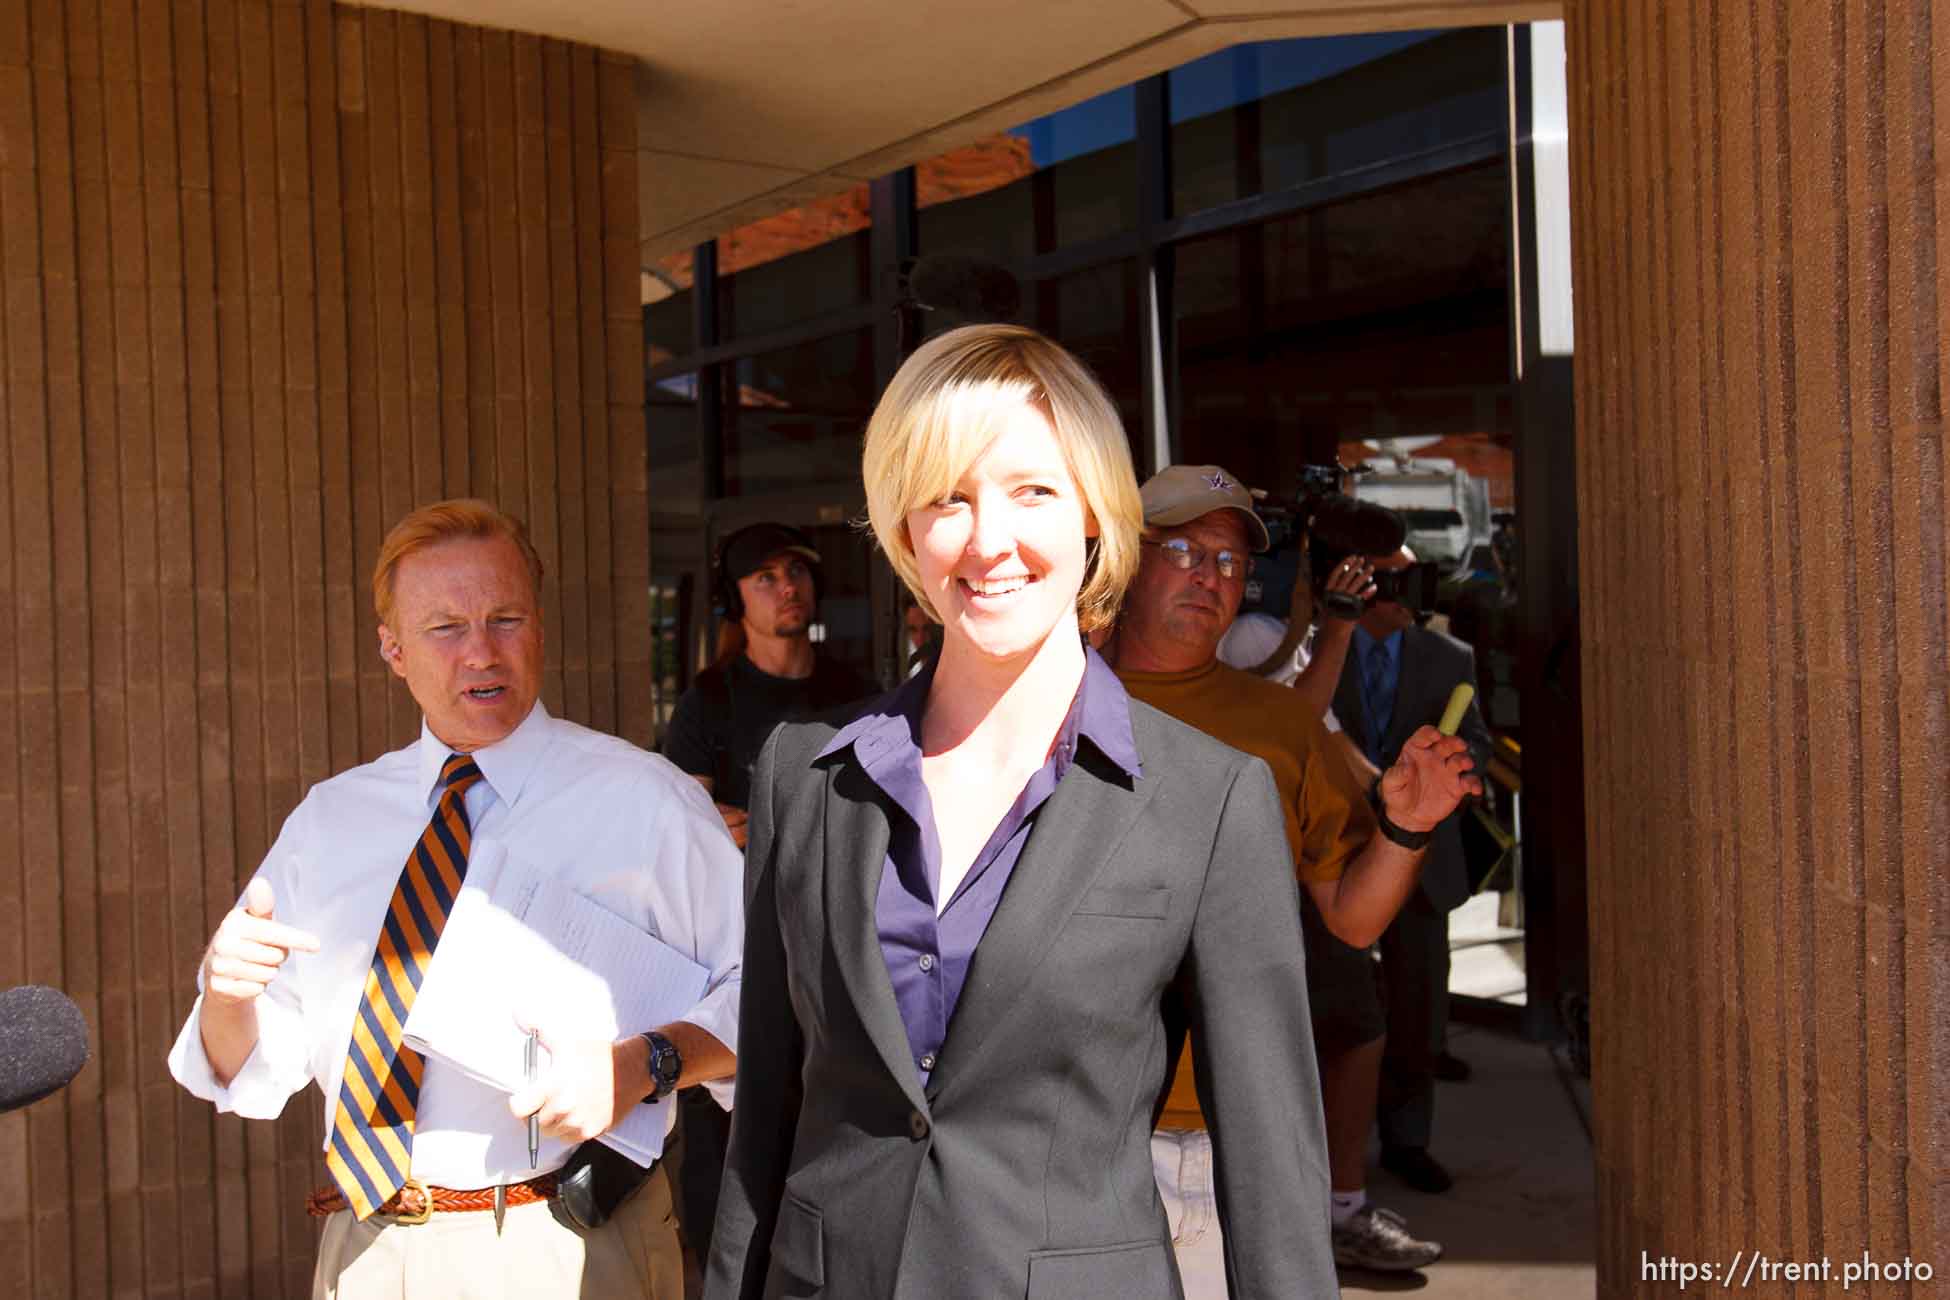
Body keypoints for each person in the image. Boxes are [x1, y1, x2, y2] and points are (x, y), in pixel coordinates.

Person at [709, 325, 1351, 1299]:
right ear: (902, 529)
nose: (988, 538)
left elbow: (1273, 1164)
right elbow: (766, 1111)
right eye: (947, 497)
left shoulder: (1210, 798)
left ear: (1095, 512)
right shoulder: (804, 775)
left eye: (1033, 490)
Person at [168, 499, 743, 1299]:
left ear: (540, 626)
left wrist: (647, 1064)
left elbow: (773, 1001)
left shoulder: (647, 803)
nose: (482, 652)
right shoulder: (332, 819)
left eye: (505, 618)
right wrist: (227, 998)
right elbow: (252, 1067)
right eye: (445, 628)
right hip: (365, 1247)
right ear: (393, 649)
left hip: (564, 1247)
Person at [1107, 464, 1481, 1281]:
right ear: (1124, 564)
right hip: (1083, 1128)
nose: (1212, 576)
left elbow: (1352, 920)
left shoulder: (1285, 725)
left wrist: (1405, 828)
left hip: (1245, 1126)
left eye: (1232, 562)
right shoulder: (1047, 706)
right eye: (1184, 551)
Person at [660, 522, 873, 1260]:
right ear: (736, 600)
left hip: (838, 930)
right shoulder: (709, 700)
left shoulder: (856, 689)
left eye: (796, 572)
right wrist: (720, 825)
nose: (787, 588)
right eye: (766, 578)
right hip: (740, 944)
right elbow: (682, 826)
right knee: (729, 1137)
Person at [1330, 543, 1493, 1197]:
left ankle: (1408, 1139)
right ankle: (1336, 1151)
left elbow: (1477, 740)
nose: (1405, 593)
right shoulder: (1320, 650)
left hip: (1422, 869)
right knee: (1340, 1011)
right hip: (1334, 859)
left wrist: (1453, 766)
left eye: (1413, 578)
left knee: (1419, 1006)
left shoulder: (1450, 658)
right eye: (1391, 579)